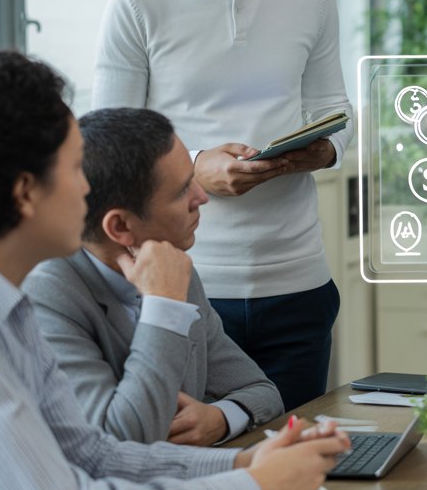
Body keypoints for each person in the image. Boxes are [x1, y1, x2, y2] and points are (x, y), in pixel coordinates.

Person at [0, 51, 349, 490]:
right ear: (25, 193)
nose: (88, 187)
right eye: (72, 168)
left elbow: (94, 454)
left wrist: (244, 463)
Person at [92, 0, 354, 410]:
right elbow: (104, 151)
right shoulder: (139, 1)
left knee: (299, 469)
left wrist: (323, 149)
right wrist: (194, 170)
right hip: (183, 284)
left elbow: (338, 114)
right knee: (195, 465)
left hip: (300, 283)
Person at [23, 108, 284, 445]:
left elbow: (261, 391)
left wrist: (220, 417)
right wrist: (163, 306)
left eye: (194, 178)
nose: (201, 197)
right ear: (120, 226)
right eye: (181, 191)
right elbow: (117, 437)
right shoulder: (47, 296)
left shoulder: (174, 269)